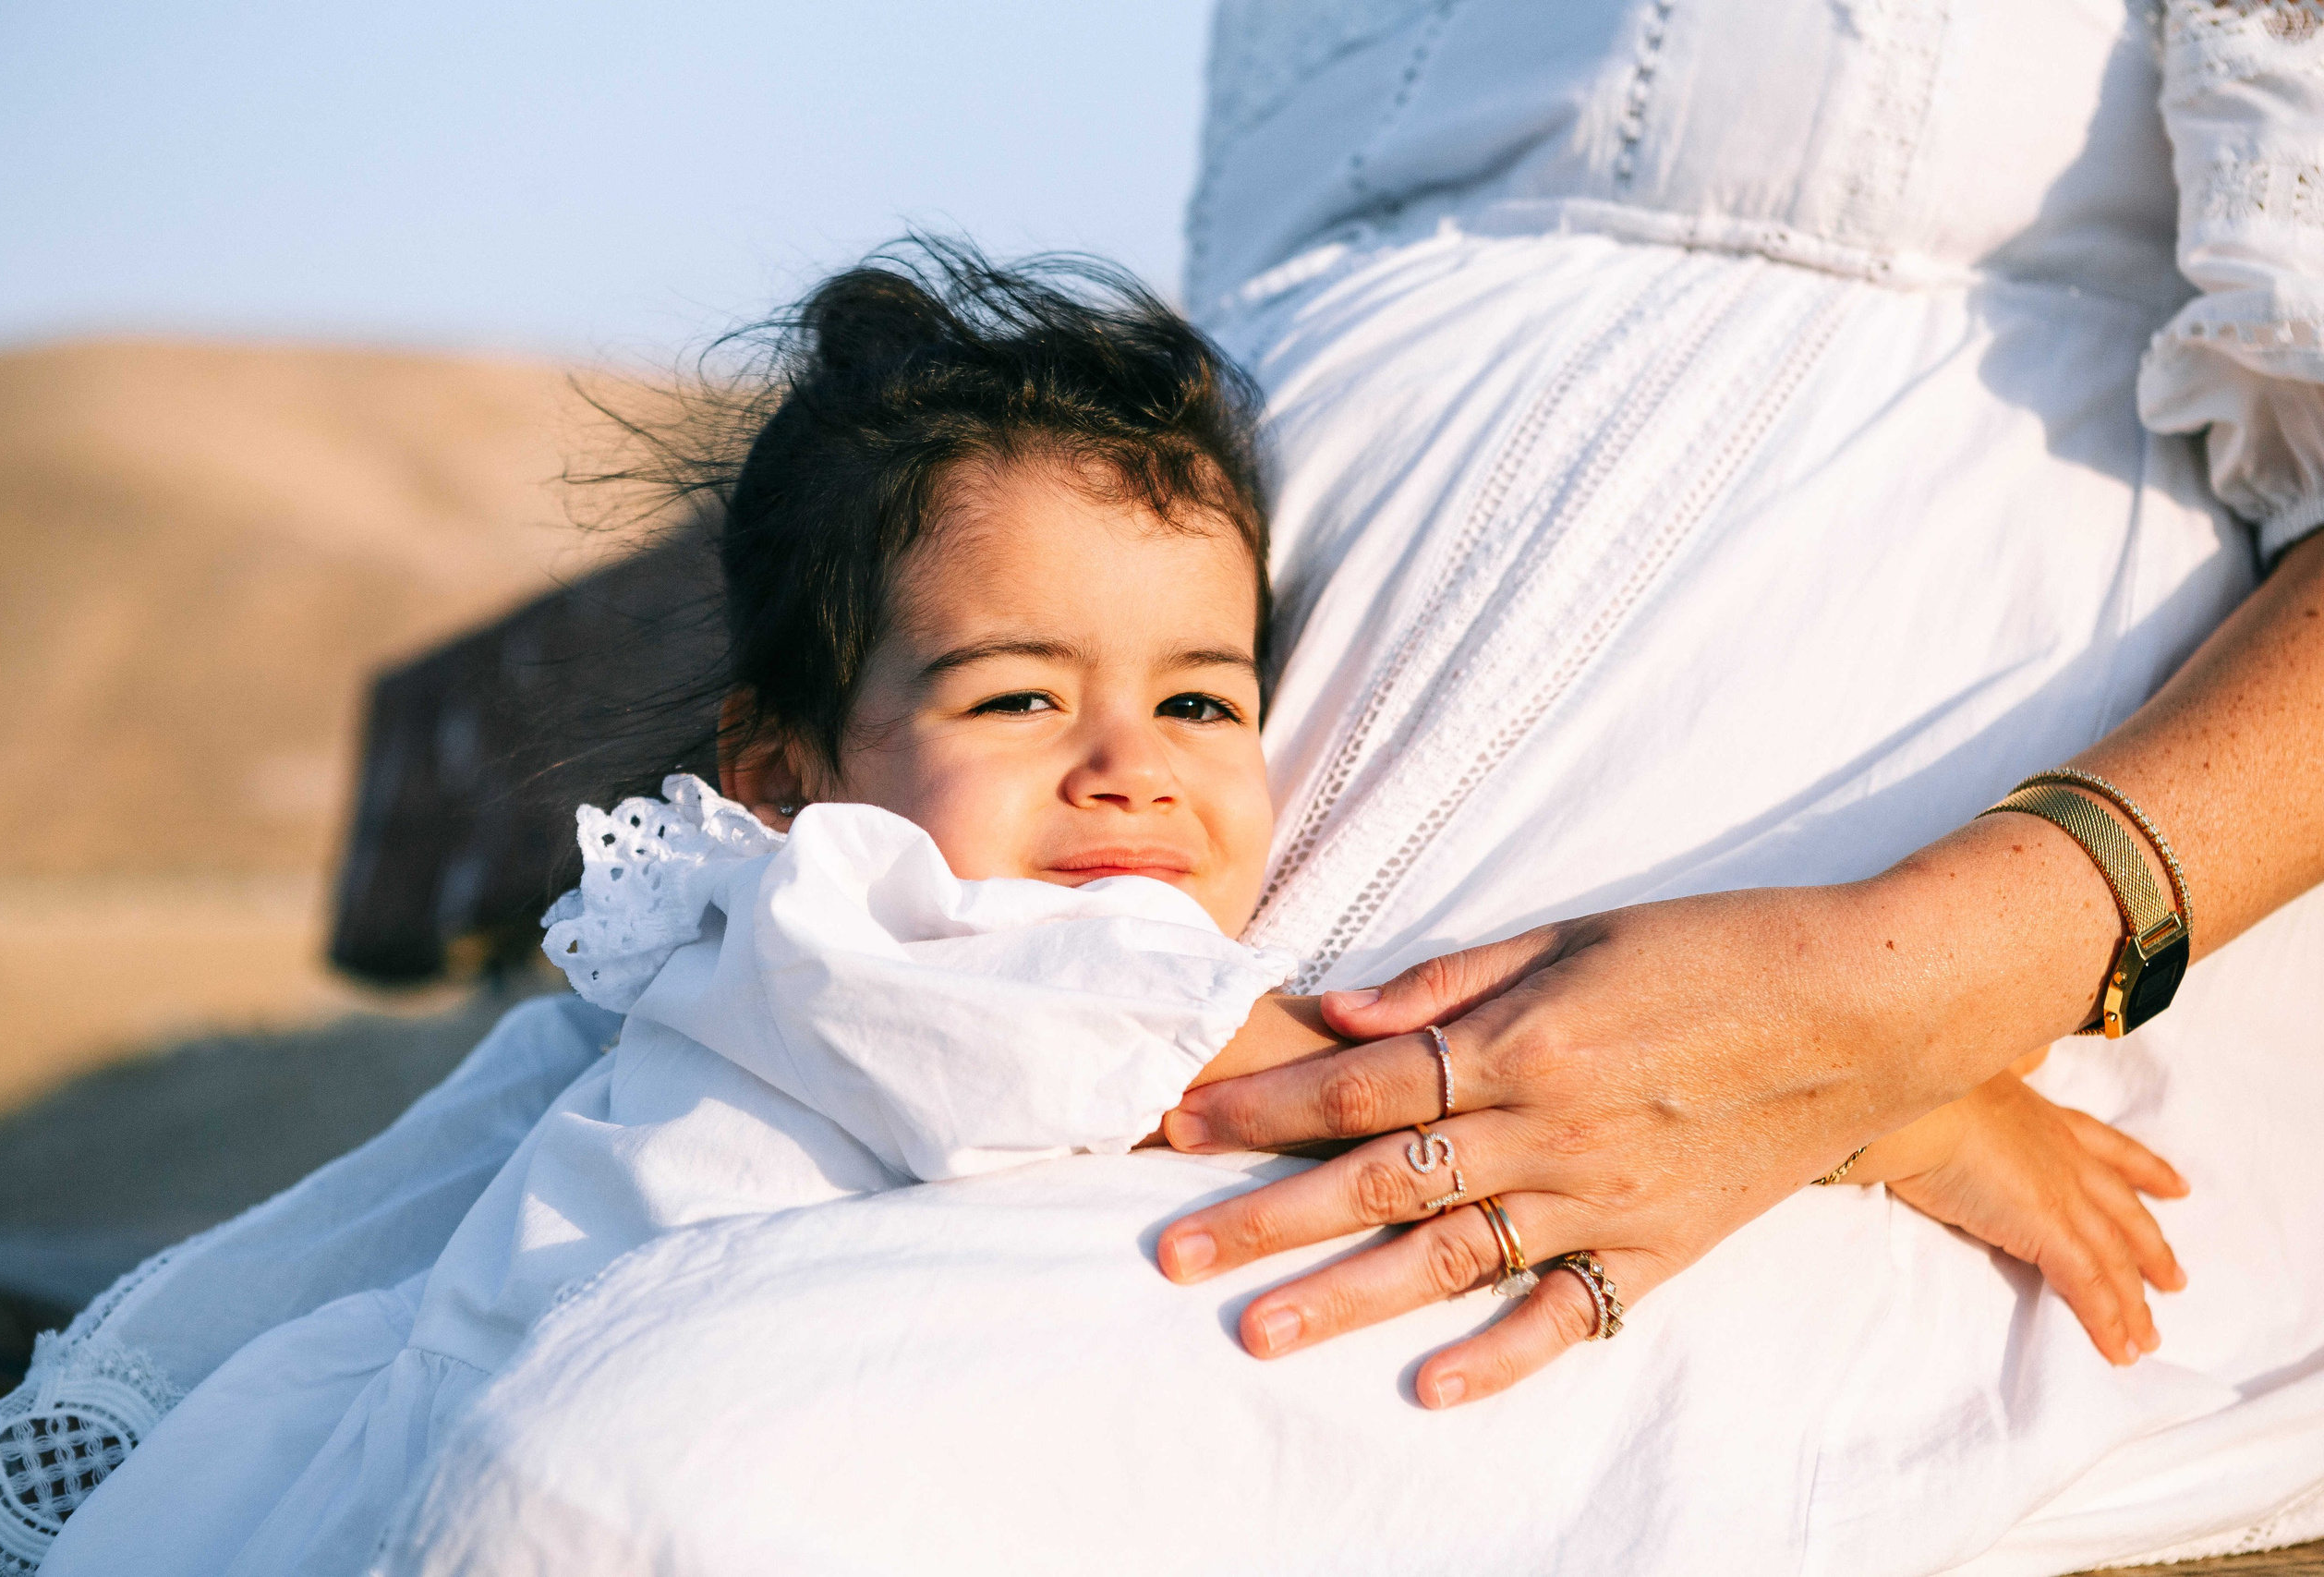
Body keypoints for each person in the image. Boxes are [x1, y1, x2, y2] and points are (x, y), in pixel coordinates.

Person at [370, 5, 2324, 1572]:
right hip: (1253, 1053)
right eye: (1029, 695)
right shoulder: (871, 918)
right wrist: (1893, 1116)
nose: (1130, 753)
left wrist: (1927, 989)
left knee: (663, 1477)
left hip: (1949, 892)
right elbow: (1263, 1059)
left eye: (1201, 705)